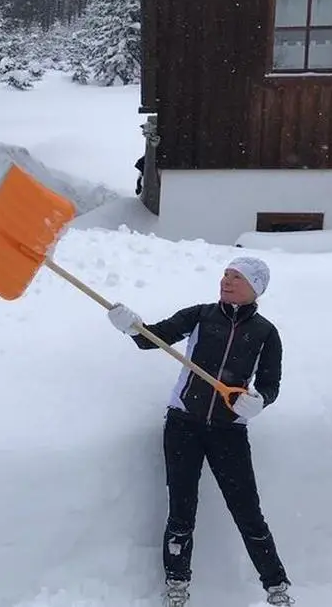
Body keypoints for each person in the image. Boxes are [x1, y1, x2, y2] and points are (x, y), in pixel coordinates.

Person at [106, 257, 292, 607]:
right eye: (225, 274)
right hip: (183, 425)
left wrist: (259, 401)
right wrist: (132, 326)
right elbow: (153, 339)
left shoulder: (266, 334)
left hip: (229, 432)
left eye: (236, 277)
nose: (226, 280)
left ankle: (276, 586)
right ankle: (177, 584)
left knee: (247, 511)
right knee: (181, 508)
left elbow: (270, 383)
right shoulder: (201, 316)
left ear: (255, 287)